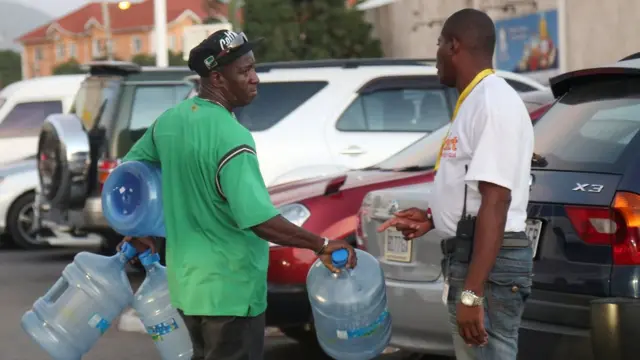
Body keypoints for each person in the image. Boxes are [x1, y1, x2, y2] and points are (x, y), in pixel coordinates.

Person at [118, 29, 357, 360]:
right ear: (217, 77)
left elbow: (128, 176)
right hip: (231, 293)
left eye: (253, 68)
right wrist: (322, 245)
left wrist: (140, 228)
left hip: (187, 289)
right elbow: (259, 219)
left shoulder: (170, 122)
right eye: (244, 71)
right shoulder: (232, 137)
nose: (255, 79)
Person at [377, 8, 534, 360]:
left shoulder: (494, 102)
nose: (435, 56)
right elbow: (474, 192)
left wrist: (472, 294)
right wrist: (434, 217)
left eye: (437, 44)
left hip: (490, 266)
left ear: (454, 45)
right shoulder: (474, 101)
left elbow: (496, 202)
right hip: (473, 257)